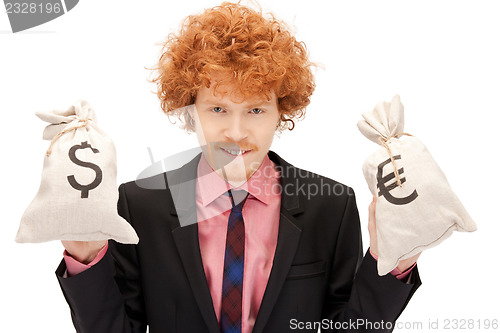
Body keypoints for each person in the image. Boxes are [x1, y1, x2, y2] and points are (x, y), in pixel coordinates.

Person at [56, 2, 421, 332]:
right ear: (190, 110)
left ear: (282, 113)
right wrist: (85, 260)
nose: (235, 132)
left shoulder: (331, 206)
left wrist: (392, 264)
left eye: (256, 110)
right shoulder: (139, 206)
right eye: (217, 109)